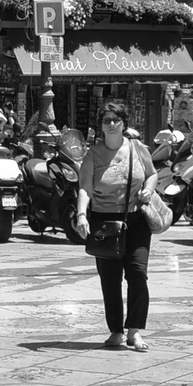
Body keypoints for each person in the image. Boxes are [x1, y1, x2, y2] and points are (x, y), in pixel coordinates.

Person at [74, 100, 157, 352]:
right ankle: (115, 331)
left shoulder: (137, 148)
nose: (111, 124)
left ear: (124, 124)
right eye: (106, 121)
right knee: (110, 280)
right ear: (100, 126)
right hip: (104, 223)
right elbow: (84, 188)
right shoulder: (93, 154)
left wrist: (149, 189)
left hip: (136, 221)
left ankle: (134, 331)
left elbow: (152, 173)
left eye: (115, 120)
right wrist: (81, 215)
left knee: (138, 275)